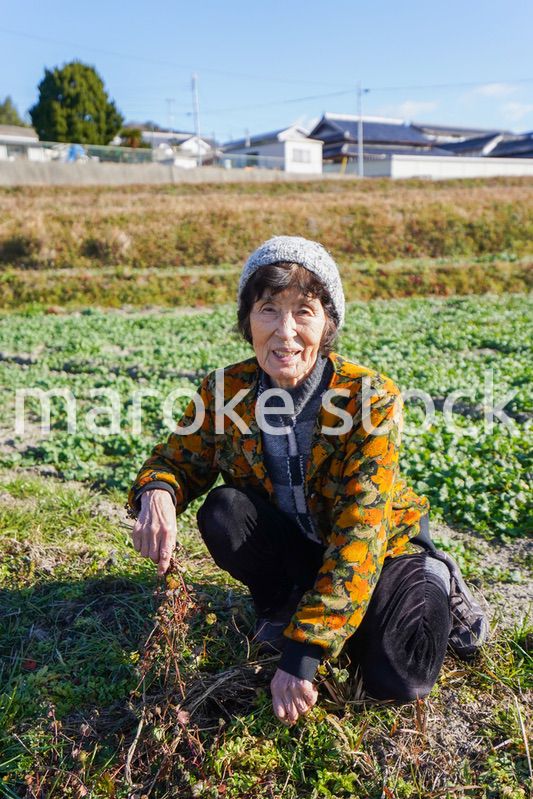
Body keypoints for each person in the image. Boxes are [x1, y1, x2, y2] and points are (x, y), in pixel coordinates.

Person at [127, 236, 488, 727]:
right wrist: (158, 492)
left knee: (399, 678)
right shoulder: (225, 390)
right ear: (247, 319)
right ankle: (285, 604)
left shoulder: (369, 399)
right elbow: (175, 459)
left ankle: (437, 581)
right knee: (224, 511)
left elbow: (361, 531)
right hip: (302, 546)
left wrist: (302, 656)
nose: (285, 332)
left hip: (383, 553)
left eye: (305, 311)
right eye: (268, 309)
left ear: (329, 323)